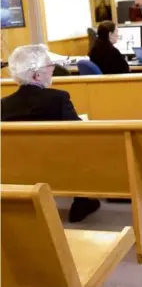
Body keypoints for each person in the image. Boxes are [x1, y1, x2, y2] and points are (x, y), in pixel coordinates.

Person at [1, 44, 101, 222]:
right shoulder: (58, 98)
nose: (53, 69)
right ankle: (81, 200)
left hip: (20, 169)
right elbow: (79, 132)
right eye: (49, 66)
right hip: (60, 165)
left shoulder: (3, 105)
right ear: (37, 75)